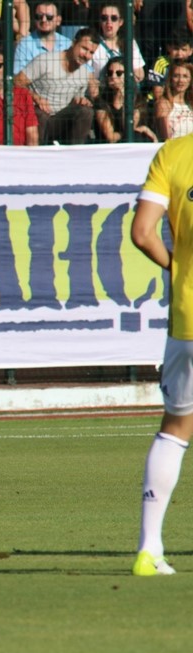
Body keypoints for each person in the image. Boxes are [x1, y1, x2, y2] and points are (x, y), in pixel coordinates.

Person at [129, 126, 193, 575]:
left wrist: (178, 269)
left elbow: (142, 232)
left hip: (188, 317)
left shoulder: (174, 154)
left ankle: (149, 548)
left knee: (175, 427)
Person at [14, 27, 99, 145]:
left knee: (86, 112)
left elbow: (75, 100)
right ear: (73, 43)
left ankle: (75, 153)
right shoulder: (45, 60)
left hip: (60, 120)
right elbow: (16, 82)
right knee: (40, 115)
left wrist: (80, 100)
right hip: (36, 117)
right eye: (84, 49)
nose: (87, 55)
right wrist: (36, 98)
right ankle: (37, 153)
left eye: (91, 53)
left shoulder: (84, 74)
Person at [95, 57, 157, 143]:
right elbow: (111, 137)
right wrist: (143, 129)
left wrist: (125, 100)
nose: (113, 76)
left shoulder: (138, 101)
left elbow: (128, 127)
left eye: (119, 73)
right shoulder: (101, 102)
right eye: (110, 73)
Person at [89, 2, 146, 84]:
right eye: (104, 18)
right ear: (100, 21)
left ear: (121, 22)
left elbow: (140, 74)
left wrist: (121, 80)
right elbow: (86, 74)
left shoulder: (129, 42)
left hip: (124, 89)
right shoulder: (92, 43)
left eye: (114, 18)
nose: (109, 22)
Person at [12, 0, 72, 74]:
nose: (44, 20)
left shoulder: (67, 44)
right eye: (39, 17)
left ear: (58, 20)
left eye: (49, 17)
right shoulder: (24, 45)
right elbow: (18, 77)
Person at [155, 61, 193, 140]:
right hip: (174, 146)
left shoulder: (191, 104)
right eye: (176, 76)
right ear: (170, 79)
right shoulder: (164, 103)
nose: (180, 80)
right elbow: (166, 138)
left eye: (185, 76)